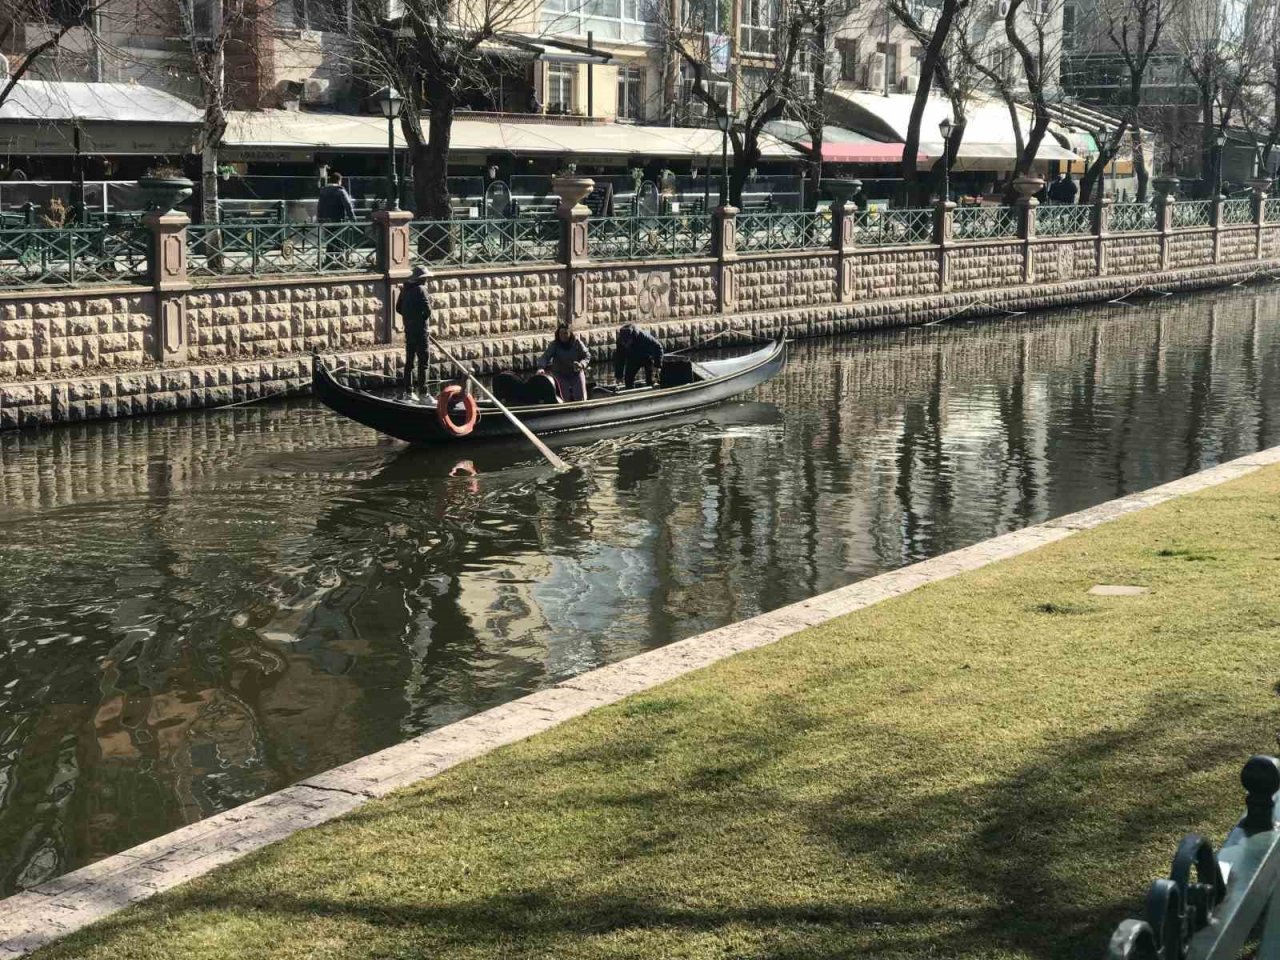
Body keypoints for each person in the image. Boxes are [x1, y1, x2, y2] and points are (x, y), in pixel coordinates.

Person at [397, 265, 431, 395]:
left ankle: (409, 392)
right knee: (423, 362)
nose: (426, 280)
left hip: (409, 330)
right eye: (425, 278)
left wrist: (410, 318)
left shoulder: (405, 290)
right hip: (421, 331)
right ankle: (423, 393)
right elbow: (427, 311)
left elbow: (398, 308)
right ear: (422, 279)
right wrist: (420, 320)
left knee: (410, 361)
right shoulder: (422, 289)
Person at [538, 324, 590, 401]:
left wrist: (581, 364)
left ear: (570, 334)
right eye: (561, 333)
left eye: (565, 333)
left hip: (576, 373)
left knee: (580, 397)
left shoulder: (577, 343)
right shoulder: (554, 345)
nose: (563, 336)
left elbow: (587, 356)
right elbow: (545, 357)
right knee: (564, 398)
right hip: (560, 375)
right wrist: (541, 367)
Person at [613, 323, 664, 388]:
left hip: (647, 357)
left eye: (627, 342)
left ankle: (651, 387)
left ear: (631, 338)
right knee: (628, 379)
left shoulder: (643, 336)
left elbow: (658, 347)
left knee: (650, 379)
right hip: (633, 359)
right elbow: (620, 358)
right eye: (623, 342)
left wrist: (657, 365)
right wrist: (619, 376)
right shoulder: (620, 341)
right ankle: (630, 390)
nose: (625, 345)